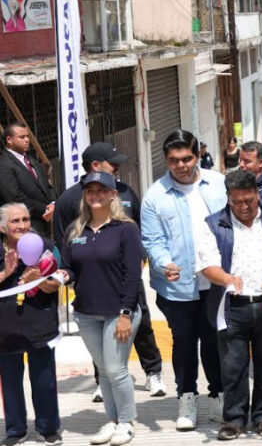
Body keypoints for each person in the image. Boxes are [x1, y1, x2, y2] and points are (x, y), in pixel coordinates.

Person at [52, 143, 166, 402]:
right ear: (95, 165)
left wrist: (141, 258)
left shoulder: (124, 191)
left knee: (142, 323)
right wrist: (66, 274)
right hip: (90, 282)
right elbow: (63, 241)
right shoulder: (69, 199)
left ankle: (153, 372)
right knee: (99, 340)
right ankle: (100, 382)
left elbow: (140, 225)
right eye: (112, 163)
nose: (118, 167)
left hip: (126, 276)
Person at [141, 130, 226, 431]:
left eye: (187, 158)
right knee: (184, 342)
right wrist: (165, 264)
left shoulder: (218, 184)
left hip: (216, 281)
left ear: (198, 155)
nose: (181, 165)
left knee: (215, 342)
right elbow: (152, 240)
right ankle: (186, 397)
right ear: (166, 160)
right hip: (177, 286)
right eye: (174, 160)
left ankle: (218, 395)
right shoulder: (154, 196)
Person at [194, 170, 262, 440]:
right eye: (238, 202)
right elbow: (207, 265)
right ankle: (234, 418)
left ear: (258, 194)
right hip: (232, 306)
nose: (245, 207)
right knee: (233, 365)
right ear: (228, 198)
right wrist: (227, 278)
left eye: (250, 200)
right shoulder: (213, 223)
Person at [62, 172, 143, 446]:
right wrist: (59, 276)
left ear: (112, 194)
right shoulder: (75, 230)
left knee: (116, 369)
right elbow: (69, 269)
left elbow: (133, 274)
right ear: (84, 196)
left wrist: (125, 313)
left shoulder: (126, 229)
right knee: (103, 369)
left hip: (118, 312)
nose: (95, 195)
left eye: (101, 190)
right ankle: (113, 420)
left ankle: (127, 422)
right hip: (86, 312)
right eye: (90, 191)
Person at [0, 202, 63, 446]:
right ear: (3, 227)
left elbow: (57, 283)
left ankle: (48, 428)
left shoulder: (45, 247)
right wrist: (6, 272)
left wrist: (39, 280)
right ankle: (15, 429)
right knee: (10, 381)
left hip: (40, 321)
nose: (23, 225)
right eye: (15, 221)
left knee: (44, 379)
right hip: (5, 326)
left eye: (25, 219)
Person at [0, 121, 54, 235]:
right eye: (22, 137)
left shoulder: (32, 160)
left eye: (28, 136)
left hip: (45, 222)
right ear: (9, 140)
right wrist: (44, 210)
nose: (27, 140)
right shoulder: (4, 163)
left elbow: (47, 186)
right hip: (25, 225)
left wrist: (53, 203)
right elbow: (14, 196)